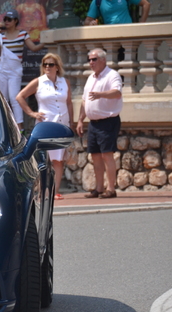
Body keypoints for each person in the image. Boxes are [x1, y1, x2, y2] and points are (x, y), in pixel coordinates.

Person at [16, 53, 74, 200]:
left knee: (58, 159)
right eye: (45, 64)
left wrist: (71, 122)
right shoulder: (39, 81)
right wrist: (32, 113)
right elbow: (20, 96)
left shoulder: (64, 82)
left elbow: (69, 103)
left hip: (62, 123)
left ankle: (55, 191)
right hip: (46, 125)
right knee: (44, 158)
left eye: (51, 64)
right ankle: (43, 190)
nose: (47, 67)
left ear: (57, 67)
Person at [76, 48, 123, 199]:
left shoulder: (112, 75)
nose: (91, 62)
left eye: (94, 59)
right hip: (93, 123)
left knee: (107, 155)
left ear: (103, 59)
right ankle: (99, 188)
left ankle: (111, 189)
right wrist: (80, 120)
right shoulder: (91, 78)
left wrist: (100, 94)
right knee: (95, 156)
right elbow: (84, 100)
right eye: (89, 59)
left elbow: (117, 92)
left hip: (108, 121)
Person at [0, 10, 45, 130]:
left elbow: (34, 48)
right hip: (2, 70)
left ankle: (20, 128)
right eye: (5, 19)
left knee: (15, 97)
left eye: (9, 19)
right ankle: (2, 126)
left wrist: (46, 41)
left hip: (15, 71)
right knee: (3, 98)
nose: (7, 22)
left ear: (15, 21)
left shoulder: (23, 34)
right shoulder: (1, 36)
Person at [84, 0, 150, 25]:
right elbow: (87, 20)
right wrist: (90, 23)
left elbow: (146, 4)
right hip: (111, 37)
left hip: (128, 35)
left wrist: (141, 24)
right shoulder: (98, 1)